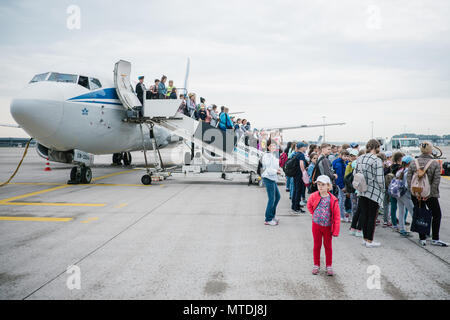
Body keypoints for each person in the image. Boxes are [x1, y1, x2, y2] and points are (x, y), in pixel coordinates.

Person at [407, 141, 447, 247]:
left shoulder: (413, 162)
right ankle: (435, 238)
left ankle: (422, 238)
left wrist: (415, 193)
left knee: (420, 213)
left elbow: (409, 179)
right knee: (437, 215)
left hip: (416, 193)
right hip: (430, 194)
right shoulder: (434, 163)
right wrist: (428, 194)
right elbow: (436, 181)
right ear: (430, 150)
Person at [307, 175, 340, 276]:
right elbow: (309, 205)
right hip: (316, 225)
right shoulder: (314, 196)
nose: (320, 187)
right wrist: (314, 214)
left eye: (323, 185)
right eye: (318, 184)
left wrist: (335, 230)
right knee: (317, 245)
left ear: (328, 186)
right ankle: (316, 265)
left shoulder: (332, 199)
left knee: (327, 246)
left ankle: (329, 265)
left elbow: (337, 216)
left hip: (327, 227)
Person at [354, 139, 385, 247]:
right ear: (376, 148)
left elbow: (355, 173)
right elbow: (380, 179)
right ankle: (369, 240)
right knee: (372, 217)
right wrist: (383, 189)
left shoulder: (360, 158)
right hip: (374, 192)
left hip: (362, 190)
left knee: (365, 215)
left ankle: (364, 239)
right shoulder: (377, 160)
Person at [261, 140, 281, 226]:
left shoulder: (272, 155)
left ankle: (271, 216)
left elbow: (274, 166)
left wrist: (278, 170)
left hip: (272, 178)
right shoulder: (266, 156)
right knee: (272, 199)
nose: (274, 147)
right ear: (268, 147)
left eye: (275, 146)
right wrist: (276, 171)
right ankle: (268, 219)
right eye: (272, 146)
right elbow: (268, 168)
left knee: (277, 197)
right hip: (268, 178)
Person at [395, 156, 415, 237]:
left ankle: (402, 229)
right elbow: (407, 185)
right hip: (406, 195)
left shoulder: (400, 171)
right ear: (409, 163)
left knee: (401, 211)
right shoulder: (408, 173)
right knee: (413, 212)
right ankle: (421, 229)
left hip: (398, 194)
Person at [332, 150, 350, 222]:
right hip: (341, 183)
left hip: (341, 183)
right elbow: (339, 176)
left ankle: (341, 215)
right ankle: (341, 216)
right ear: (341, 155)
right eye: (345, 156)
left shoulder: (342, 162)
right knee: (342, 200)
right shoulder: (339, 164)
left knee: (341, 199)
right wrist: (342, 186)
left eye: (347, 156)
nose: (346, 158)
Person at [291, 142, 307, 213]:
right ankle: (296, 207)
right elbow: (301, 165)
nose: (305, 148)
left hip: (295, 174)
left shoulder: (296, 154)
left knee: (295, 190)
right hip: (299, 175)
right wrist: (304, 173)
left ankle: (294, 206)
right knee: (298, 191)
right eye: (304, 147)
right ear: (301, 147)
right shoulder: (301, 155)